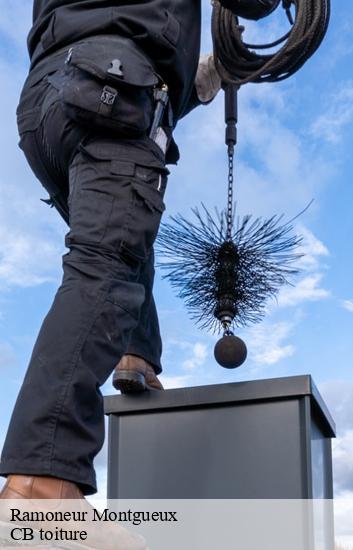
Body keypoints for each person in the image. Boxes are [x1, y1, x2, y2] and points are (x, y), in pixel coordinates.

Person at [0, 0, 222, 512]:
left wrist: (196, 81)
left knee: (120, 240)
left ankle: (136, 354)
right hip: (112, 89)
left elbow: (114, 21)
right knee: (106, 264)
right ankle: (41, 489)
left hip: (45, 107)